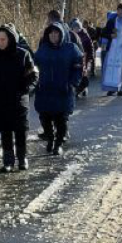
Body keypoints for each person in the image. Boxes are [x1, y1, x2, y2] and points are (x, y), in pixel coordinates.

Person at [0, 24, 39, 172]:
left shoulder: (22, 54)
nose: (0, 42)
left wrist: (26, 89)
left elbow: (33, 75)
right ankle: (8, 161)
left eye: (3, 39)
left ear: (11, 39)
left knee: (20, 130)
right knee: (5, 130)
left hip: (18, 99)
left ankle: (22, 158)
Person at [34, 23, 83, 155]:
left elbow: (78, 67)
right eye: (51, 33)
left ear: (61, 34)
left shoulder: (71, 48)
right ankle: (50, 139)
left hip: (63, 90)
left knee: (61, 119)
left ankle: (58, 143)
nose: (53, 35)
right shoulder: (43, 49)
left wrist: (73, 82)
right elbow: (33, 65)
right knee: (45, 118)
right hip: (45, 90)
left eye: (56, 33)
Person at [69, 18, 95, 97]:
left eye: (77, 27)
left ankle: (83, 88)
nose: (76, 29)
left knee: (84, 74)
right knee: (76, 74)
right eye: (74, 28)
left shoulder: (85, 35)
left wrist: (91, 58)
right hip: (75, 58)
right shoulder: (70, 35)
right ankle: (77, 89)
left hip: (85, 58)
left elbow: (91, 47)